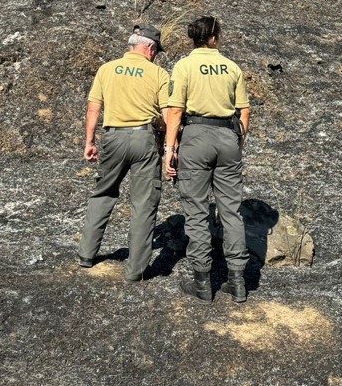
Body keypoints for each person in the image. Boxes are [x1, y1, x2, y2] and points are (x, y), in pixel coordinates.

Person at [164, 15, 250, 304]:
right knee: (231, 210)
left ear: (194, 37)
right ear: (214, 38)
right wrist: (238, 141)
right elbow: (244, 111)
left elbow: (175, 112)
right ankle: (237, 280)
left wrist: (170, 149)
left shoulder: (184, 66)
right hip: (228, 137)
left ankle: (203, 283)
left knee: (197, 210)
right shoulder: (232, 67)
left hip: (196, 137)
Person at [78, 26, 169, 282]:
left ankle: (86, 255)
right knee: (144, 204)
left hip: (113, 137)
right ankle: (135, 271)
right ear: (150, 48)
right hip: (144, 138)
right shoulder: (159, 73)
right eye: (156, 52)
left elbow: (93, 110)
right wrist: (168, 139)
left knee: (103, 193)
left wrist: (89, 142)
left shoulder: (106, 69)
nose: (156, 56)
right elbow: (166, 116)